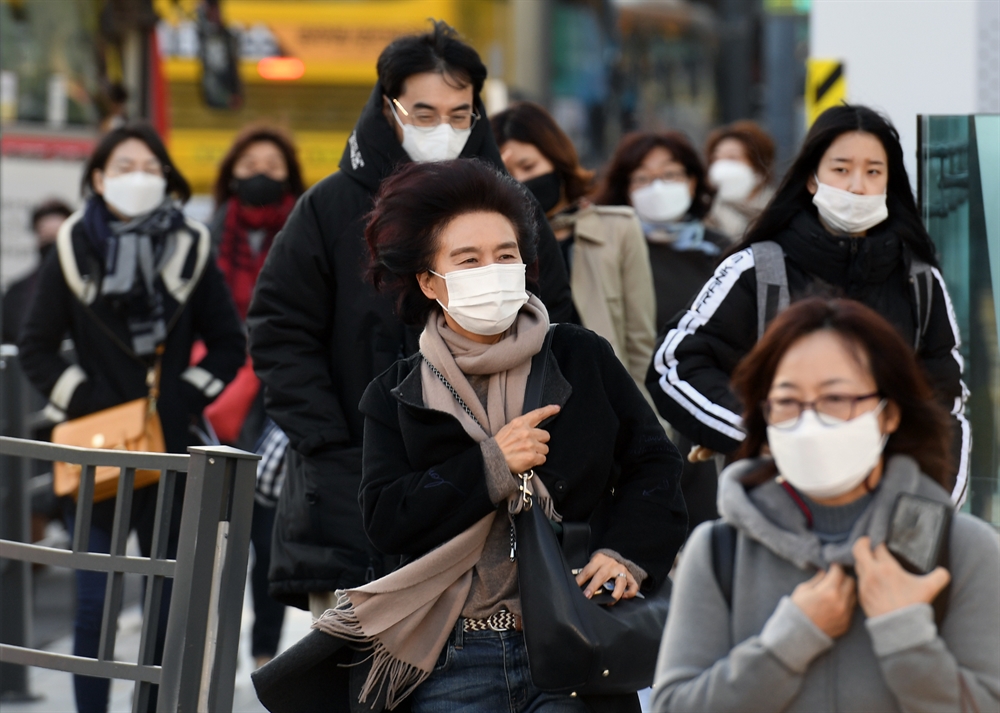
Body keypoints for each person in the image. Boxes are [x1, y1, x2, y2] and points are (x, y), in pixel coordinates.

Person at [314, 158, 686, 713]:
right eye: (468, 260)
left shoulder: (580, 357)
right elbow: (386, 518)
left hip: (577, 638)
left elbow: (654, 464)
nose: (493, 269)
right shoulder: (398, 392)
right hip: (452, 655)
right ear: (429, 282)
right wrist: (491, 465)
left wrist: (628, 553)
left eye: (505, 255)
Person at [248, 21, 575, 616]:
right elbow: (278, 328)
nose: (443, 129)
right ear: (387, 108)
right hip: (357, 489)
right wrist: (331, 444)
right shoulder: (330, 207)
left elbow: (558, 328)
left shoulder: (514, 211)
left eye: (460, 113)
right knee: (359, 683)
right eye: (424, 113)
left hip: (497, 490)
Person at [651, 297, 1000, 712]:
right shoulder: (718, 551)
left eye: (836, 398)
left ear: (889, 413)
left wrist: (906, 635)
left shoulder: (962, 548)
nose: (810, 421)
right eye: (788, 401)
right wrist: (787, 643)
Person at [17, 123, 245, 713]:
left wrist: (185, 399)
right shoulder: (72, 249)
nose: (138, 177)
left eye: (150, 166)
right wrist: (90, 401)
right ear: (96, 177)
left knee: (167, 609)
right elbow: (36, 347)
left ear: (166, 178)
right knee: (94, 603)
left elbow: (228, 343)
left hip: (171, 455)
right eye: (123, 166)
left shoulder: (191, 249)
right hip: (96, 456)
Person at [648, 104, 971, 503]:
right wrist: (765, 437)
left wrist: (928, 519)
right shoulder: (755, 269)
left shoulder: (919, 281)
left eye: (873, 171)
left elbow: (945, 406)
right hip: (773, 515)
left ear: (890, 182)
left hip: (886, 516)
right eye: (840, 168)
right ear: (812, 179)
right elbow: (676, 364)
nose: (856, 185)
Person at [593, 130, 728, 530]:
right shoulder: (609, 252)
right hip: (632, 403)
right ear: (624, 188)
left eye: (670, 175)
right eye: (643, 179)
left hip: (704, 404)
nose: (658, 188)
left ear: (693, 182)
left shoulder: (724, 252)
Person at [208, 123, 305, 668]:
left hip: (276, 394)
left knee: (268, 532)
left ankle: (264, 650)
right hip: (220, 392)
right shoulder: (211, 231)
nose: (260, 174)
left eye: (272, 163)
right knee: (215, 533)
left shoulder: (306, 227)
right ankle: (212, 649)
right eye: (249, 164)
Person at [491, 101, 657, 392]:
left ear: (557, 159)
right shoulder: (492, 246)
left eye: (529, 166)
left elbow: (640, 341)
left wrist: (650, 424)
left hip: (604, 397)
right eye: (507, 174)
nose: (521, 182)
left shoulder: (618, 228)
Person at [2, 199, 73, 344]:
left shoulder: (88, 284)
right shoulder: (17, 292)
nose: (52, 247)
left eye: (57, 238)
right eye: (46, 238)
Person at [704, 120, 776, 242]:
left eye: (732, 158)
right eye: (715, 159)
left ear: (758, 169)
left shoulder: (779, 212)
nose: (721, 167)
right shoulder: (704, 215)